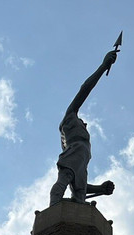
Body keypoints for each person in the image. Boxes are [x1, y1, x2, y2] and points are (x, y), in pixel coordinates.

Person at [49, 48, 118, 206]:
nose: (84, 124)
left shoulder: (82, 155)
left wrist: (101, 189)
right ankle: (53, 207)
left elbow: (80, 188)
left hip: (80, 156)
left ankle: (61, 209)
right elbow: (85, 88)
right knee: (64, 178)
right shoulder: (70, 117)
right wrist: (103, 66)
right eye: (82, 123)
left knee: (79, 197)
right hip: (75, 151)